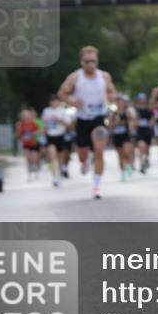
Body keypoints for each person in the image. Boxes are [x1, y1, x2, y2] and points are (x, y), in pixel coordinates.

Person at [58, 45, 117, 199]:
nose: (90, 64)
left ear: (97, 62)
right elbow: (62, 93)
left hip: (98, 118)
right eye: (87, 61)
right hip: (83, 119)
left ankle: (96, 186)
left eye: (93, 61)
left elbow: (111, 91)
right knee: (82, 154)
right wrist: (72, 101)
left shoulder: (104, 76)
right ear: (81, 62)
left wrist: (111, 102)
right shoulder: (75, 77)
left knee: (99, 150)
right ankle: (85, 161)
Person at [41, 94, 71, 188]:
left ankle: (60, 173)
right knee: (53, 157)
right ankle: (55, 177)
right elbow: (44, 124)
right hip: (50, 136)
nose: (54, 102)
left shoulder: (63, 111)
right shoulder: (46, 111)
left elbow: (69, 124)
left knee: (60, 158)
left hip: (60, 135)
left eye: (55, 100)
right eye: (52, 101)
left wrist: (59, 120)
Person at [110, 94, 137, 182]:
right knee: (120, 155)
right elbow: (110, 125)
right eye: (117, 101)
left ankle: (129, 164)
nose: (119, 103)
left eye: (120, 101)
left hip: (126, 135)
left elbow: (133, 120)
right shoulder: (113, 113)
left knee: (127, 152)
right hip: (117, 136)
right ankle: (123, 173)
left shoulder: (127, 112)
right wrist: (115, 122)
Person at [15, 109, 43, 182]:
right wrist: (18, 130)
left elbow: (40, 131)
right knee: (28, 159)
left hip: (34, 143)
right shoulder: (21, 124)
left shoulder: (33, 123)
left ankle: (36, 170)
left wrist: (35, 133)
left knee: (34, 158)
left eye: (27, 116)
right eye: (24, 116)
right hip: (26, 144)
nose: (26, 117)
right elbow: (18, 134)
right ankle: (29, 174)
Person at [133, 92, 154, 174]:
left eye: (143, 99)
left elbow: (152, 118)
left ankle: (146, 160)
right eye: (140, 99)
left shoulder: (149, 109)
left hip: (147, 131)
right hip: (139, 131)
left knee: (147, 149)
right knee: (141, 147)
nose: (141, 101)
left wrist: (151, 123)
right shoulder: (134, 109)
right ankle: (142, 164)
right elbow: (132, 119)